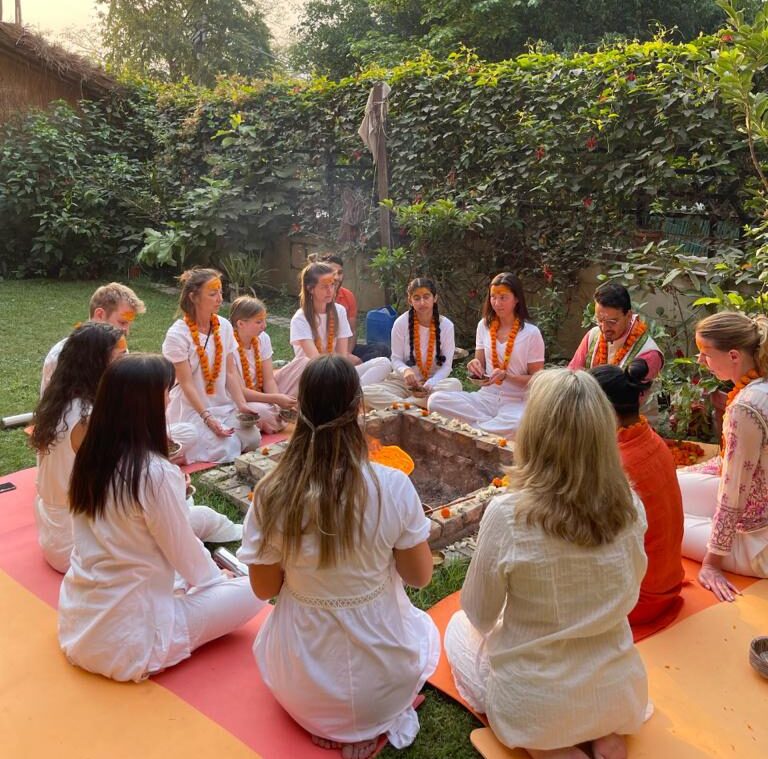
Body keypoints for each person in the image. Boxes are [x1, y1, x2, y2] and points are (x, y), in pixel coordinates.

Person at [238, 355, 439, 759]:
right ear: (359, 409)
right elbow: (419, 577)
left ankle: (334, 723)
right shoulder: (392, 486)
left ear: (301, 406)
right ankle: (365, 725)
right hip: (383, 688)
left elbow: (263, 589)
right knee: (425, 630)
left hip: (302, 687)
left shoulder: (273, 492)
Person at [444, 368, 649, 759]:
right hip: (617, 689)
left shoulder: (508, 514)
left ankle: (550, 748)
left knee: (456, 626)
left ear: (534, 434)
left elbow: (478, 613)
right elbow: (631, 588)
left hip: (534, 702)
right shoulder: (630, 504)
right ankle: (603, 731)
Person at [58, 354, 264, 682]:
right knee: (254, 588)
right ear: (150, 403)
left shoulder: (89, 458)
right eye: (167, 392)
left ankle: (187, 590)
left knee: (189, 557)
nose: (169, 399)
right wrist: (215, 582)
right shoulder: (153, 472)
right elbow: (189, 557)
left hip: (80, 621)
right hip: (130, 641)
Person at [677, 311, 768, 600]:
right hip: (756, 509)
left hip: (757, 542)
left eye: (705, 354)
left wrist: (711, 564)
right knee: (660, 487)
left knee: (654, 518)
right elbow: (730, 465)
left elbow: (733, 492)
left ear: (733, 355)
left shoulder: (746, 407)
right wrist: (678, 474)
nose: (701, 362)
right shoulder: (758, 388)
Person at [591, 359, 685, 629]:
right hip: (669, 582)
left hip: (640, 600)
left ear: (605, 411)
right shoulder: (650, 438)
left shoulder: (618, 464)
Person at [31, 322, 126, 572]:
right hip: (76, 546)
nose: (126, 365)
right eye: (120, 358)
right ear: (96, 365)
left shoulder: (60, 401)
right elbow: (116, 484)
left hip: (53, 533)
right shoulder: (88, 418)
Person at [162, 268, 261, 464]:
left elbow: (230, 373)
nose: (219, 298)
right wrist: (208, 418)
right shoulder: (177, 335)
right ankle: (183, 449)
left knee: (253, 439)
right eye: (213, 293)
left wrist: (241, 404)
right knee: (228, 448)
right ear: (194, 297)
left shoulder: (223, 326)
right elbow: (187, 383)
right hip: (193, 409)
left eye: (220, 292)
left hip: (223, 406)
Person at [428, 273, 545, 437]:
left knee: (518, 424)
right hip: (485, 398)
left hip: (516, 402)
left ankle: (476, 428)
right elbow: (480, 364)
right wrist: (474, 366)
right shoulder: (483, 326)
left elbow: (537, 381)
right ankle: (487, 427)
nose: (497, 303)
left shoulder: (531, 333)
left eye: (503, 297)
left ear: (517, 299)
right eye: (493, 297)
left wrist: (507, 377)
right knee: (436, 401)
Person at [289, 262, 391, 388]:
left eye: (332, 285)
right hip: (315, 376)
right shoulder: (300, 318)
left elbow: (343, 355)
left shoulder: (339, 311)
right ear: (310, 289)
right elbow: (315, 360)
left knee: (384, 363)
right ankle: (353, 393)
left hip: (336, 372)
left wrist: (343, 374)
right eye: (324, 287)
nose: (330, 291)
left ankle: (354, 392)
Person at [364, 277, 462, 409]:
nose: (422, 302)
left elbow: (446, 366)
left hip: (432, 384)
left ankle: (401, 407)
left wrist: (430, 384)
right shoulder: (401, 323)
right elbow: (396, 358)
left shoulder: (446, 326)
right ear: (410, 301)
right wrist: (405, 370)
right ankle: (414, 407)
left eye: (426, 297)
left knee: (454, 385)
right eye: (417, 298)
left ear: (435, 298)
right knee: (365, 393)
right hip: (402, 383)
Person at [41, 282, 145, 395]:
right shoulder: (62, 355)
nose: (126, 331)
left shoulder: (117, 348)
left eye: (129, 324)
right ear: (99, 315)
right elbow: (56, 407)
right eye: (122, 322)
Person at [230, 296, 300, 432]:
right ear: (240, 324)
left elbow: (268, 379)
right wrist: (275, 399)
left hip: (264, 393)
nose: (264, 325)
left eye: (264, 320)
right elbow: (240, 392)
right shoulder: (228, 345)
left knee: (304, 365)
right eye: (258, 322)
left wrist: (277, 403)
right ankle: (276, 416)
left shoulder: (263, 338)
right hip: (240, 400)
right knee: (264, 413)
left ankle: (278, 412)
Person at [568, 282, 663, 379]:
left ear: (629, 316)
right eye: (599, 320)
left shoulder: (648, 353)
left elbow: (637, 394)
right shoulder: (592, 336)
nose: (604, 328)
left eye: (612, 322)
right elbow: (572, 377)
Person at [321, 253, 390, 362]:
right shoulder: (316, 297)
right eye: (332, 273)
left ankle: (351, 368)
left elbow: (352, 331)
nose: (337, 277)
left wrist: (347, 354)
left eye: (340, 273)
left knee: (382, 350)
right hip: (322, 352)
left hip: (344, 347)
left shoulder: (348, 296)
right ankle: (354, 369)